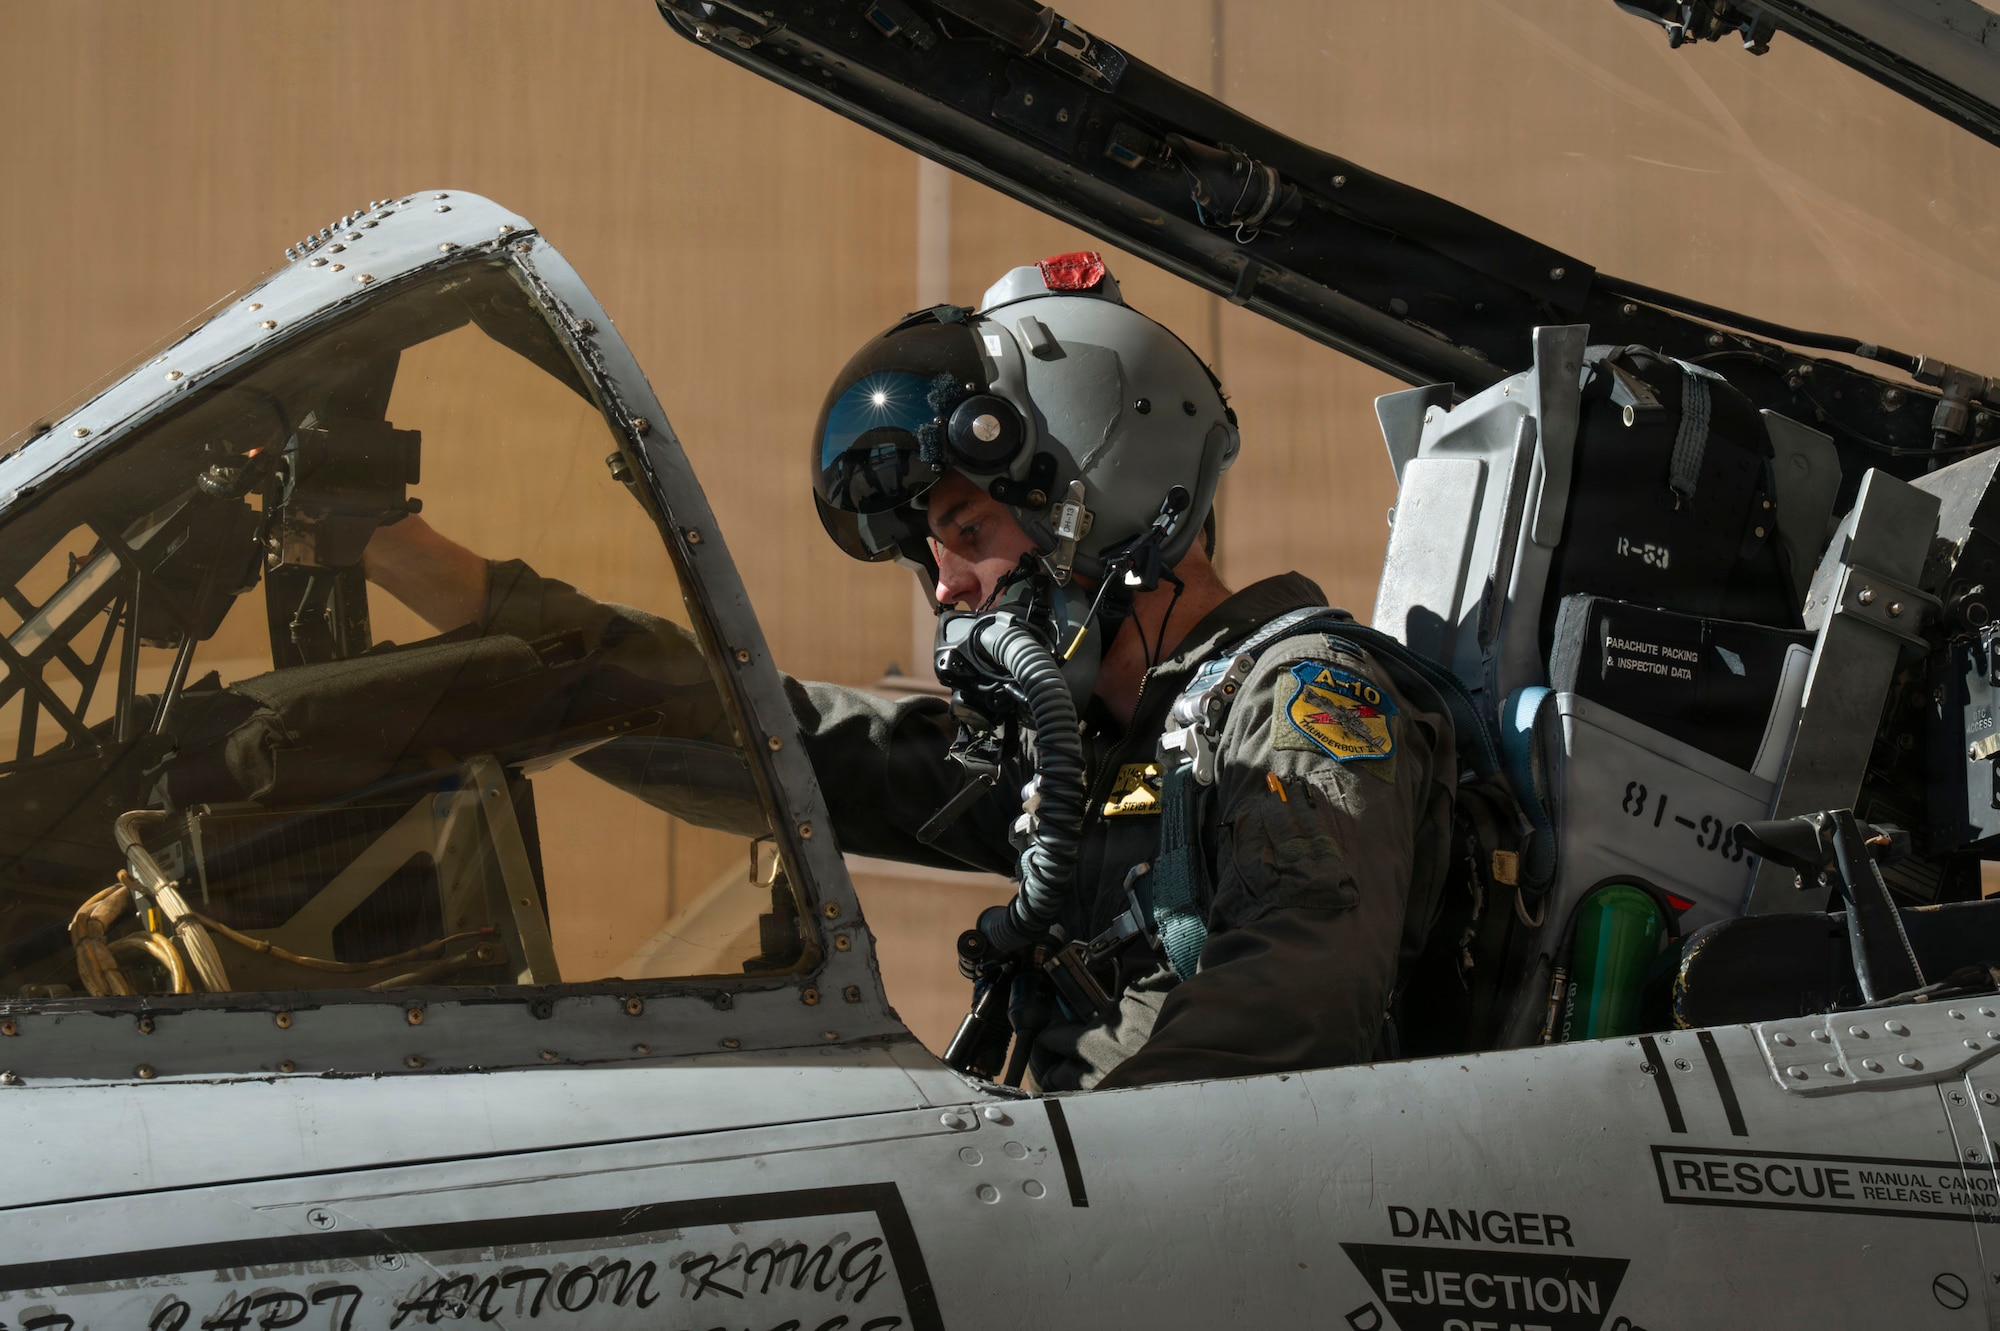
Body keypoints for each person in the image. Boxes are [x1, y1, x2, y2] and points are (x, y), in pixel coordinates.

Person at [364, 252, 1458, 1091]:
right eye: (932, 555)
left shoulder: (1298, 700)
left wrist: (1067, 1181)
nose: (946, 589)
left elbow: (1293, 1003)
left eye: (968, 531)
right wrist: (405, 555)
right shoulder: (1076, 757)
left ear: (1112, 486)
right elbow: (774, 744)